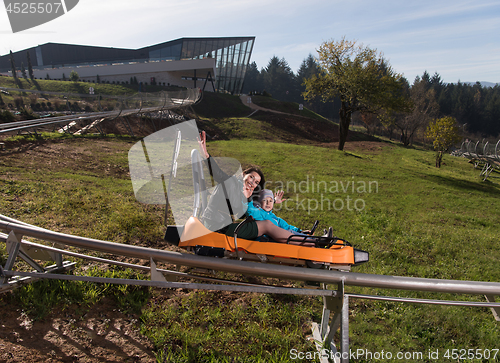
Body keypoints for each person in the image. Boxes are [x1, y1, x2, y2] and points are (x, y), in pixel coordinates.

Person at [197, 131, 313, 244]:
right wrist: (206, 156)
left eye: (257, 181)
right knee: (267, 225)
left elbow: (254, 213)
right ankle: (306, 242)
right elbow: (218, 174)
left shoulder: (245, 194)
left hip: (223, 226)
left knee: (268, 223)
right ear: (243, 174)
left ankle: (302, 236)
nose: (253, 182)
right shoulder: (231, 181)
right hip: (216, 226)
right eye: (251, 177)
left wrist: (271, 201)